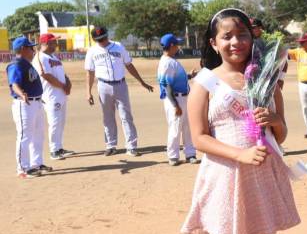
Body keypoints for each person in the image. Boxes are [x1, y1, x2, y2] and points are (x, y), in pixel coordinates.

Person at [181, 9, 300, 234]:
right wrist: (239, 155)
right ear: (214, 43)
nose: (236, 43)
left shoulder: (266, 78)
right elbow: (199, 138)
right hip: (225, 176)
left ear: (253, 38)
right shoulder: (204, 82)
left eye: (243, 35)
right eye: (227, 36)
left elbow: (280, 135)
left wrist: (274, 121)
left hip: (262, 174)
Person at [84, 26, 154, 156]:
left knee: (126, 116)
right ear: (95, 40)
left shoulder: (118, 46)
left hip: (121, 85)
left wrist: (141, 82)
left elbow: (129, 65)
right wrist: (88, 91)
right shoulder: (92, 51)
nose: (103, 41)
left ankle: (131, 146)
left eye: (104, 38)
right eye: (99, 40)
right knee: (108, 117)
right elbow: (90, 72)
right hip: (103, 86)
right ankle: (111, 145)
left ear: (107, 35)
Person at [7, 36, 51, 177]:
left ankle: (36, 163)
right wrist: (22, 94)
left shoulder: (27, 64)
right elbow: (14, 84)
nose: (33, 50)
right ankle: (23, 169)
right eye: (30, 48)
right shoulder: (16, 64)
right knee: (25, 136)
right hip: (24, 104)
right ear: (23, 49)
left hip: (36, 103)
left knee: (38, 135)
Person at [157, 33, 198, 165]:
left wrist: (189, 76)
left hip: (183, 98)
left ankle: (190, 154)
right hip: (175, 99)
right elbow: (167, 86)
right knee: (175, 127)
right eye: (177, 44)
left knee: (187, 127)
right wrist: (176, 105)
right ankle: (173, 156)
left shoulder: (170, 60)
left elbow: (176, 79)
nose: (178, 47)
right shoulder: (167, 63)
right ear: (172, 45)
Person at [34, 34, 75, 159]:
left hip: (60, 95)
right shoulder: (41, 57)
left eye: (55, 42)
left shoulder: (53, 57)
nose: (55, 45)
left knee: (61, 123)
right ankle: (54, 151)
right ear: (44, 44)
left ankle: (59, 147)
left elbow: (63, 74)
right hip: (50, 96)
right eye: (52, 42)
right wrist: (63, 86)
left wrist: (68, 84)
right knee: (54, 123)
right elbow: (46, 75)